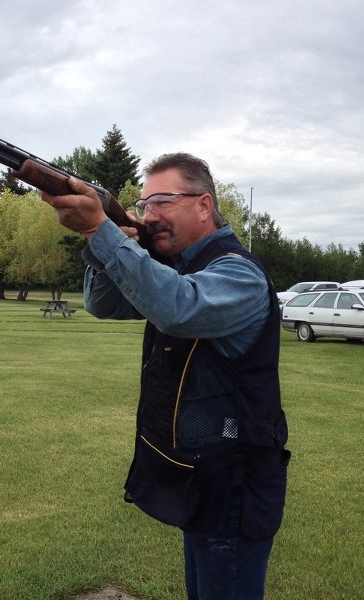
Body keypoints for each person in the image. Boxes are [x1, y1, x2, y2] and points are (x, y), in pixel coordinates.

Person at [40, 153, 290, 600]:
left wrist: (103, 230)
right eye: (142, 204)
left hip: (236, 483)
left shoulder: (239, 273)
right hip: (201, 475)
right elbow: (105, 305)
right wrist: (114, 245)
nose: (148, 215)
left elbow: (176, 307)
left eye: (162, 201)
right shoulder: (179, 267)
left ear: (203, 204)